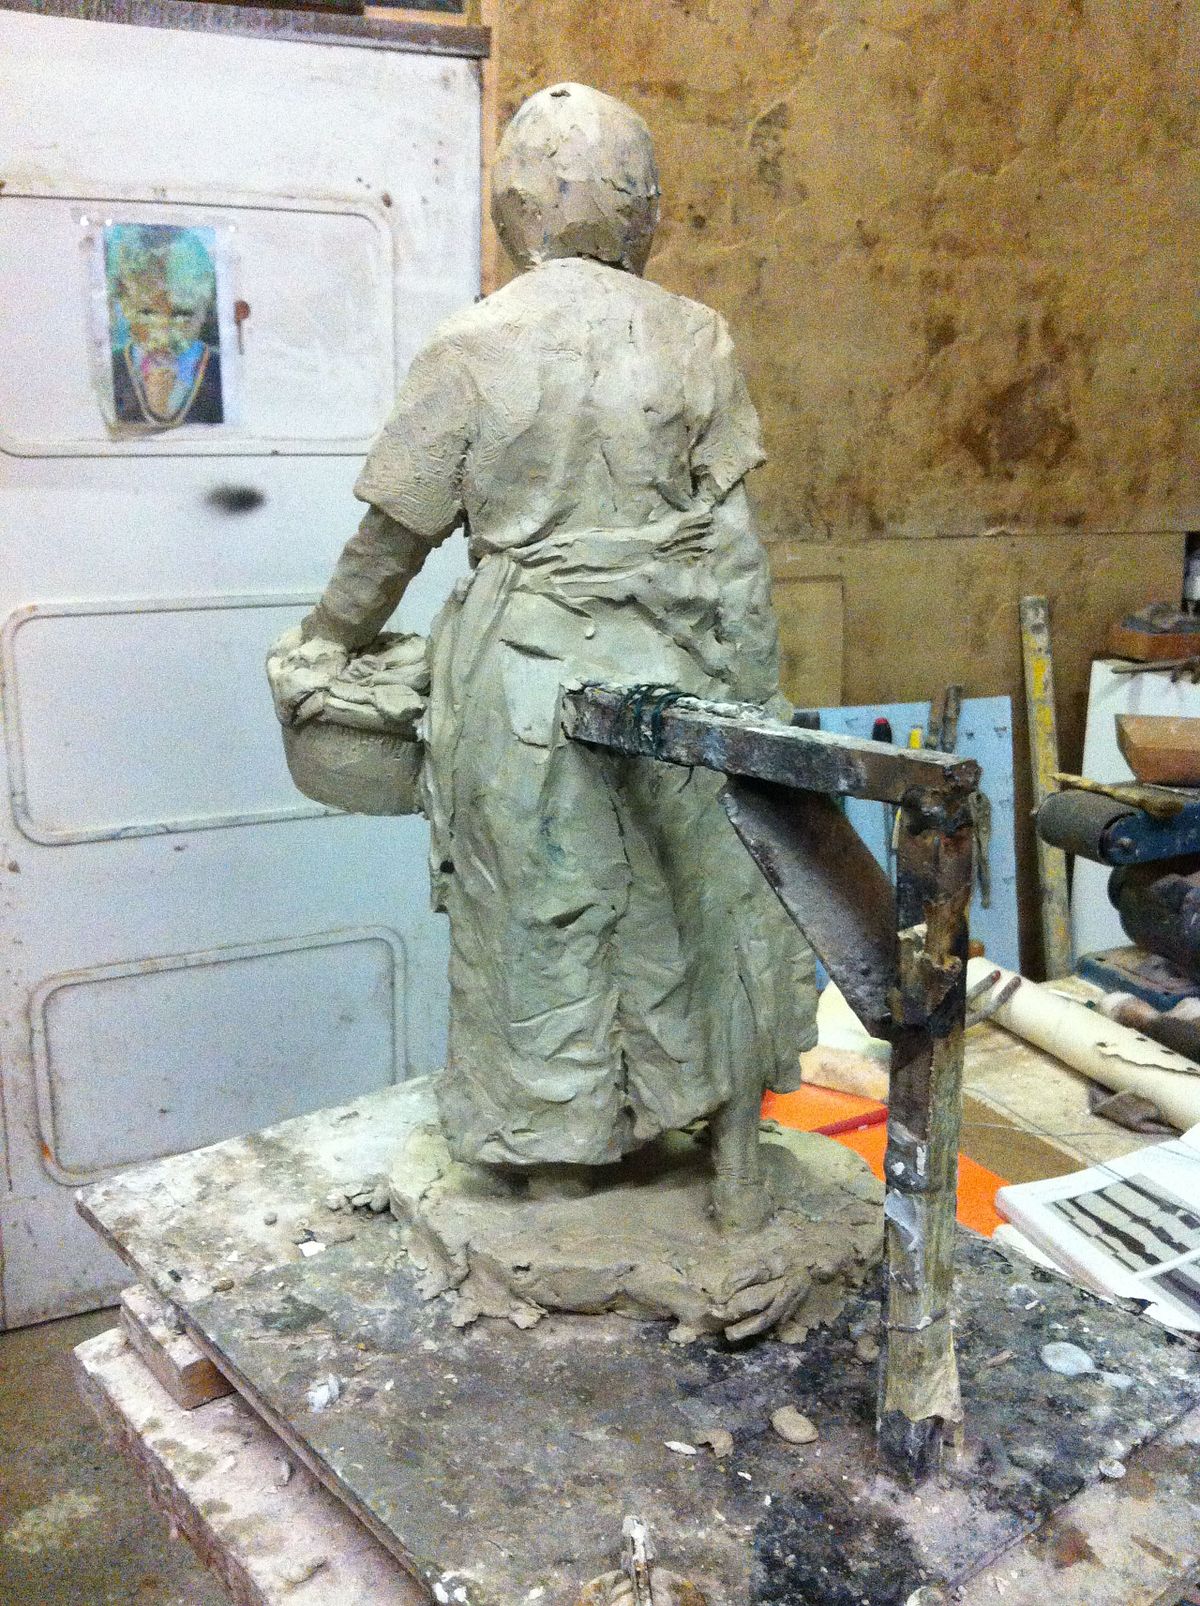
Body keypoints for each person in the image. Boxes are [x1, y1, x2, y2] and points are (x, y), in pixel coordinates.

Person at [299, 83, 816, 1230]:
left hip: (526, 673)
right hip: (676, 662)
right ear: (644, 207)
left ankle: (551, 1170)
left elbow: (389, 541)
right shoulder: (695, 336)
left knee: (539, 923)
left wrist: (324, 641)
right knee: (696, 908)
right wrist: (757, 703)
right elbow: (735, 550)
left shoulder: (475, 341)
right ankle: (718, 1148)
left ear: (514, 204)